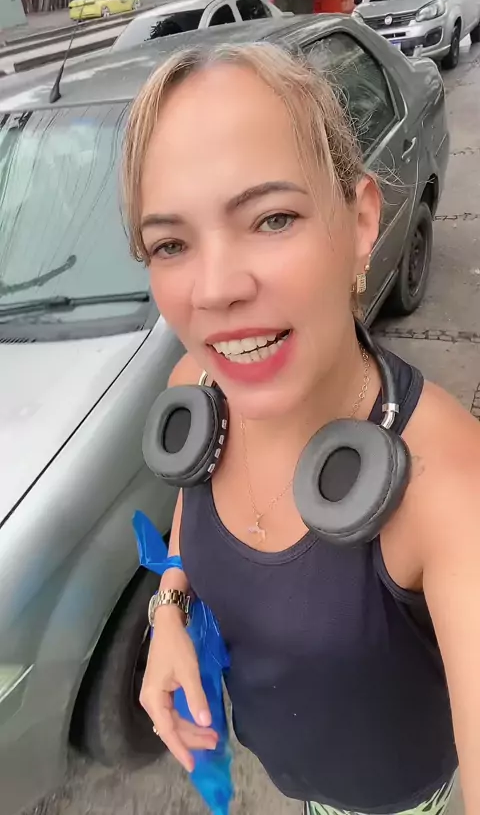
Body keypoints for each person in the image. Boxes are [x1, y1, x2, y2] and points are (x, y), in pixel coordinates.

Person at [122, 43, 480, 815]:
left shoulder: (451, 492)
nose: (215, 289)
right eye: (172, 243)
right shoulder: (198, 389)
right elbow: (192, 501)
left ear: (360, 220)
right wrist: (170, 606)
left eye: (272, 218)